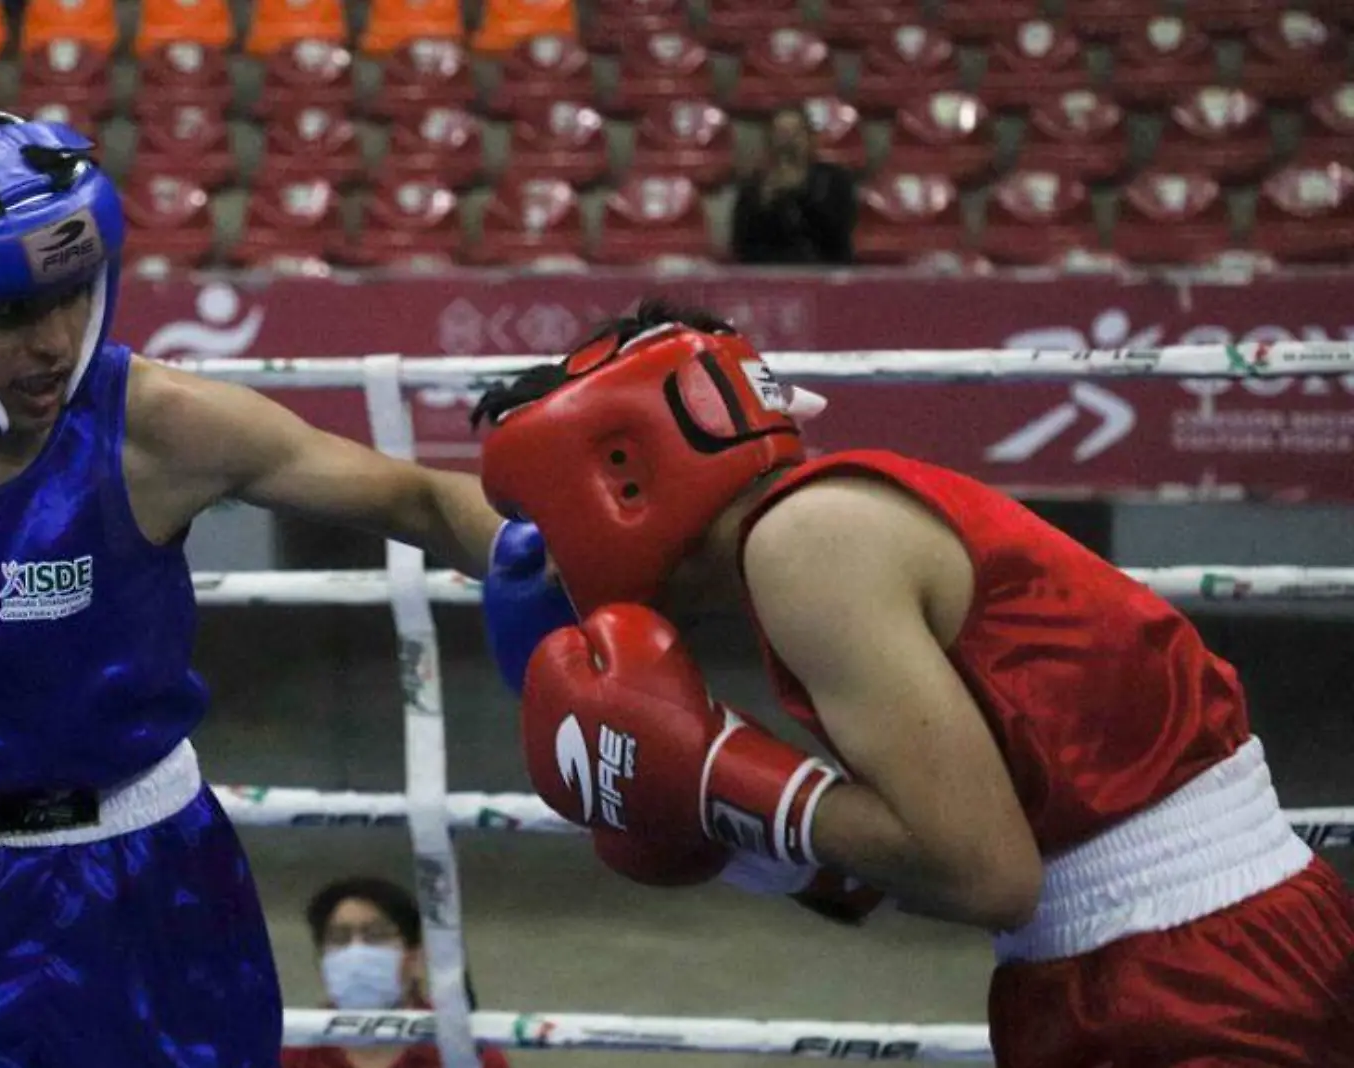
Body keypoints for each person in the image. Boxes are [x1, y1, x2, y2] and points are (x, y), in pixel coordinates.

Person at [0, 111, 506, 1067]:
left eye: (72, 295)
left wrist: (561, 569)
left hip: (150, 886)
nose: (57, 341)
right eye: (14, 312)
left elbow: (427, 502)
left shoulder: (159, 426)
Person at [472, 299, 1354, 1067]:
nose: (547, 568)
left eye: (545, 519)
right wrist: (752, 841)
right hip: (1127, 964)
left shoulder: (808, 542)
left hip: (1193, 977)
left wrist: (719, 779)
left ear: (620, 473)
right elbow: (970, 859)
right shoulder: (825, 527)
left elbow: (985, 875)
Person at [281, 877, 509, 1068]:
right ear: (322, 961)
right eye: (339, 938)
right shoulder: (290, 1050)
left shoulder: (466, 1053)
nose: (356, 951)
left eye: (376, 935)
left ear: (415, 958)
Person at [728, 105, 855, 266]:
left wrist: (800, 193)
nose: (789, 143)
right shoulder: (753, 187)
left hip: (824, 273)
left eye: (796, 134)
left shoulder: (835, 179)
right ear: (769, 140)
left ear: (810, 138)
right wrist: (765, 205)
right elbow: (743, 248)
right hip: (771, 278)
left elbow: (837, 236)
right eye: (782, 134)